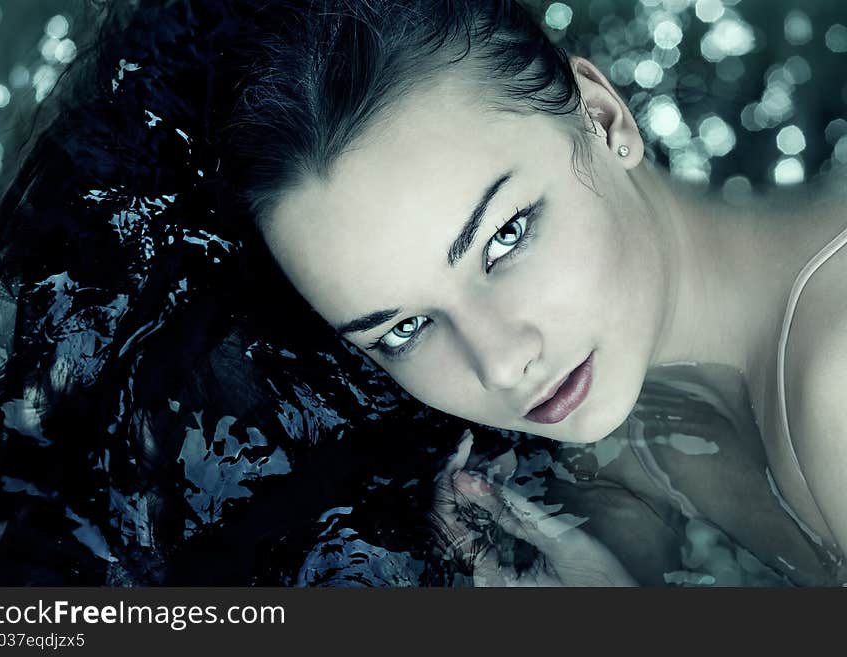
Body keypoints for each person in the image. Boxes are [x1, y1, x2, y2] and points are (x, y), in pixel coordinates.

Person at [217, 0, 847, 583]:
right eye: (403, 330)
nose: (498, 363)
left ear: (603, 118)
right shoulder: (620, 408)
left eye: (506, 237)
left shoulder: (835, 381)